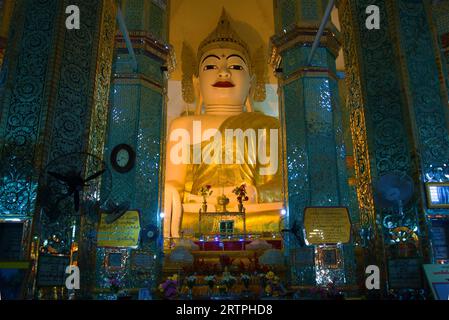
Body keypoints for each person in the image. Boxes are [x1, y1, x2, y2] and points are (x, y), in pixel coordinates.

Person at [164, 10, 282, 239]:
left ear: (252, 82)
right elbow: (174, 182)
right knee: (168, 212)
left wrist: (256, 193)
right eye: (210, 66)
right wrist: (167, 189)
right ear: (197, 83)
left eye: (237, 67)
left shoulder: (267, 125)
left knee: (283, 215)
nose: (224, 72)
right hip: (195, 208)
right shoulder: (184, 125)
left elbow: (280, 186)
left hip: (252, 211)